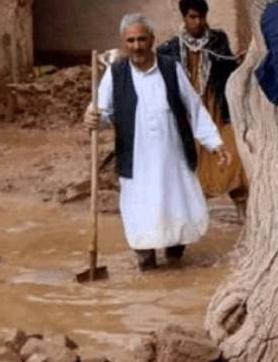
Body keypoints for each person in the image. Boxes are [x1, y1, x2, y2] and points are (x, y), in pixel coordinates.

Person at [84, 13, 230, 271]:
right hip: (136, 162)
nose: (137, 46)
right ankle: (146, 263)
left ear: (152, 39)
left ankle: (175, 261)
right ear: (123, 43)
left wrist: (215, 143)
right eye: (131, 41)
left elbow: (194, 109)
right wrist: (92, 117)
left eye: (142, 39)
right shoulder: (115, 74)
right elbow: (102, 113)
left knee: (177, 216)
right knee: (141, 217)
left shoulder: (171, 68)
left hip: (172, 159)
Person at [157, 0, 248, 220]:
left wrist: (240, 63)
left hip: (216, 108)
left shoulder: (217, 42)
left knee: (232, 155)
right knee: (189, 164)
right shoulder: (169, 49)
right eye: (192, 17)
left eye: (201, 17)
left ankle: (242, 214)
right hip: (186, 115)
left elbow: (229, 71)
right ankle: (190, 219)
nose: (197, 22)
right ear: (184, 17)